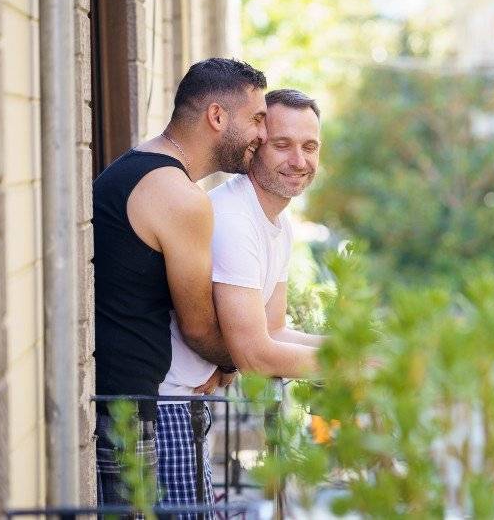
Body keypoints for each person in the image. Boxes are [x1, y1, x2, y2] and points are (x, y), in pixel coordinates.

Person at [92, 58, 267, 508]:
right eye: (258, 119)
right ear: (216, 116)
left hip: (118, 401)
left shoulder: (140, 166)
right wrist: (238, 358)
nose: (262, 136)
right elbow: (199, 327)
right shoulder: (180, 197)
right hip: (126, 412)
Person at [156, 89, 325, 515]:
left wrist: (349, 347)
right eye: (282, 145)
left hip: (195, 407)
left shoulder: (277, 223)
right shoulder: (232, 217)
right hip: (168, 406)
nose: (299, 161)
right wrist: (349, 365)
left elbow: (273, 331)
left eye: (309, 147)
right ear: (255, 146)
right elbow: (254, 353)